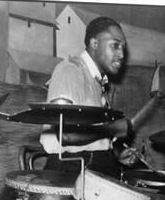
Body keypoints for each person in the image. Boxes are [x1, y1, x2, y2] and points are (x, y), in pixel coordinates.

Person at [40, 16, 138, 177]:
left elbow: (91, 142)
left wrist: (115, 157)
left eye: (123, 48)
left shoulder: (97, 82)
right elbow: (66, 134)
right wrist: (112, 129)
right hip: (71, 171)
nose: (121, 54)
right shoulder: (70, 71)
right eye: (115, 45)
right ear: (94, 43)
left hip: (92, 167)